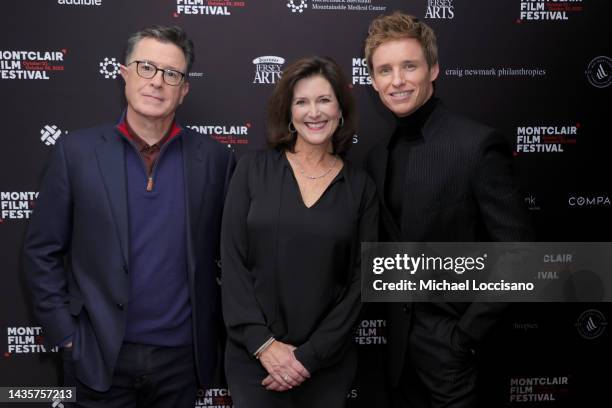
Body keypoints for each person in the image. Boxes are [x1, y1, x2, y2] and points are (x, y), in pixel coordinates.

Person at [23, 25, 235, 407]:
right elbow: (41, 252)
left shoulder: (216, 160)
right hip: (97, 356)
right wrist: (67, 336)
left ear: (184, 89)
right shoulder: (76, 153)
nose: (157, 82)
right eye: (146, 68)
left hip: (182, 361)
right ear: (124, 73)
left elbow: (234, 255)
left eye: (172, 74)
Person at [363, 12, 533, 408]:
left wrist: (463, 337)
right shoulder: (376, 157)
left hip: (456, 362)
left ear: (433, 69)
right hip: (397, 362)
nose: (397, 80)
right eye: (384, 70)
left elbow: (521, 255)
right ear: (372, 80)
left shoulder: (476, 145)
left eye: (409, 66)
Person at [221, 56, 378, 407]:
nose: (314, 112)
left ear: (340, 109)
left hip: (326, 365)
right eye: (302, 102)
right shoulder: (252, 170)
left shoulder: (361, 187)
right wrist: (263, 345)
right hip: (255, 361)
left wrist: (310, 356)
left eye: (324, 100)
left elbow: (362, 281)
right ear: (288, 112)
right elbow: (232, 263)